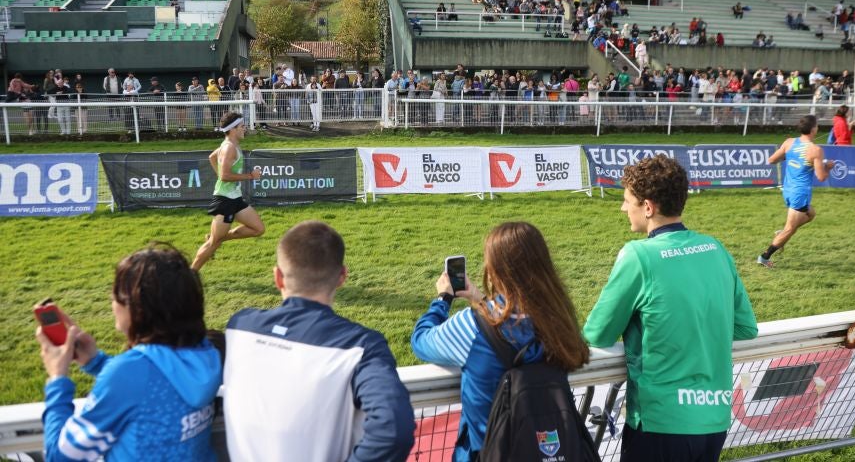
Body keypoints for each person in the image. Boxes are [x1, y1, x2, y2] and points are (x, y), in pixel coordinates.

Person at [583, 155, 758, 462]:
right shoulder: (715, 248)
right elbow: (746, 327)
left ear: (648, 207)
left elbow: (597, 333)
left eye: (627, 201)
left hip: (661, 423)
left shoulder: (638, 255)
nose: (623, 208)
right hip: (714, 421)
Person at [224, 221, 415, 462]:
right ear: (342, 277)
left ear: (278, 277)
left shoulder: (239, 326)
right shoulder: (360, 346)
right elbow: (393, 430)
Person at [411, 222, 589, 461]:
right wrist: (480, 299)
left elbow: (421, 341)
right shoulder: (558, 320)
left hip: (487, 453)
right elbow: (517, 321)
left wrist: (443, 299)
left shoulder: (471, 325)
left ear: (494, 269)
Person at [36, 244, 221, 461]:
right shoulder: (206, 351)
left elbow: (60, 456)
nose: (111, 300)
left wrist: (58, 379)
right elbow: (157, 383)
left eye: (116, 293)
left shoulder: (128, 373)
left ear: (138, 308)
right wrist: (96, 361)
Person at [757, 115, 835, 267]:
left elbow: (772, 160)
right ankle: (764, 257)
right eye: (817, 125)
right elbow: (821, 176)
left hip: (788, 190)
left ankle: (783, 234)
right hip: (799, 193)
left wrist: (793, 158)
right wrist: (828, 168)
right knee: (790, 229)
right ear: (813, 129)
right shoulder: (815, 150)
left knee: (811, 213)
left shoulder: (789, 142)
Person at [192, 112, 264, 270]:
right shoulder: (229, 148)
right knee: (213, 244)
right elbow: (224, 176)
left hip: (234, 198)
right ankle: (190, 273)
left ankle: (218, 237)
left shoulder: (230, 145)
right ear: (233, 129)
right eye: (242, 126)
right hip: (225, 200)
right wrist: (250, 176)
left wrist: (222, 177)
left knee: (258, 229)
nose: (244, 129)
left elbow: (211, 157)